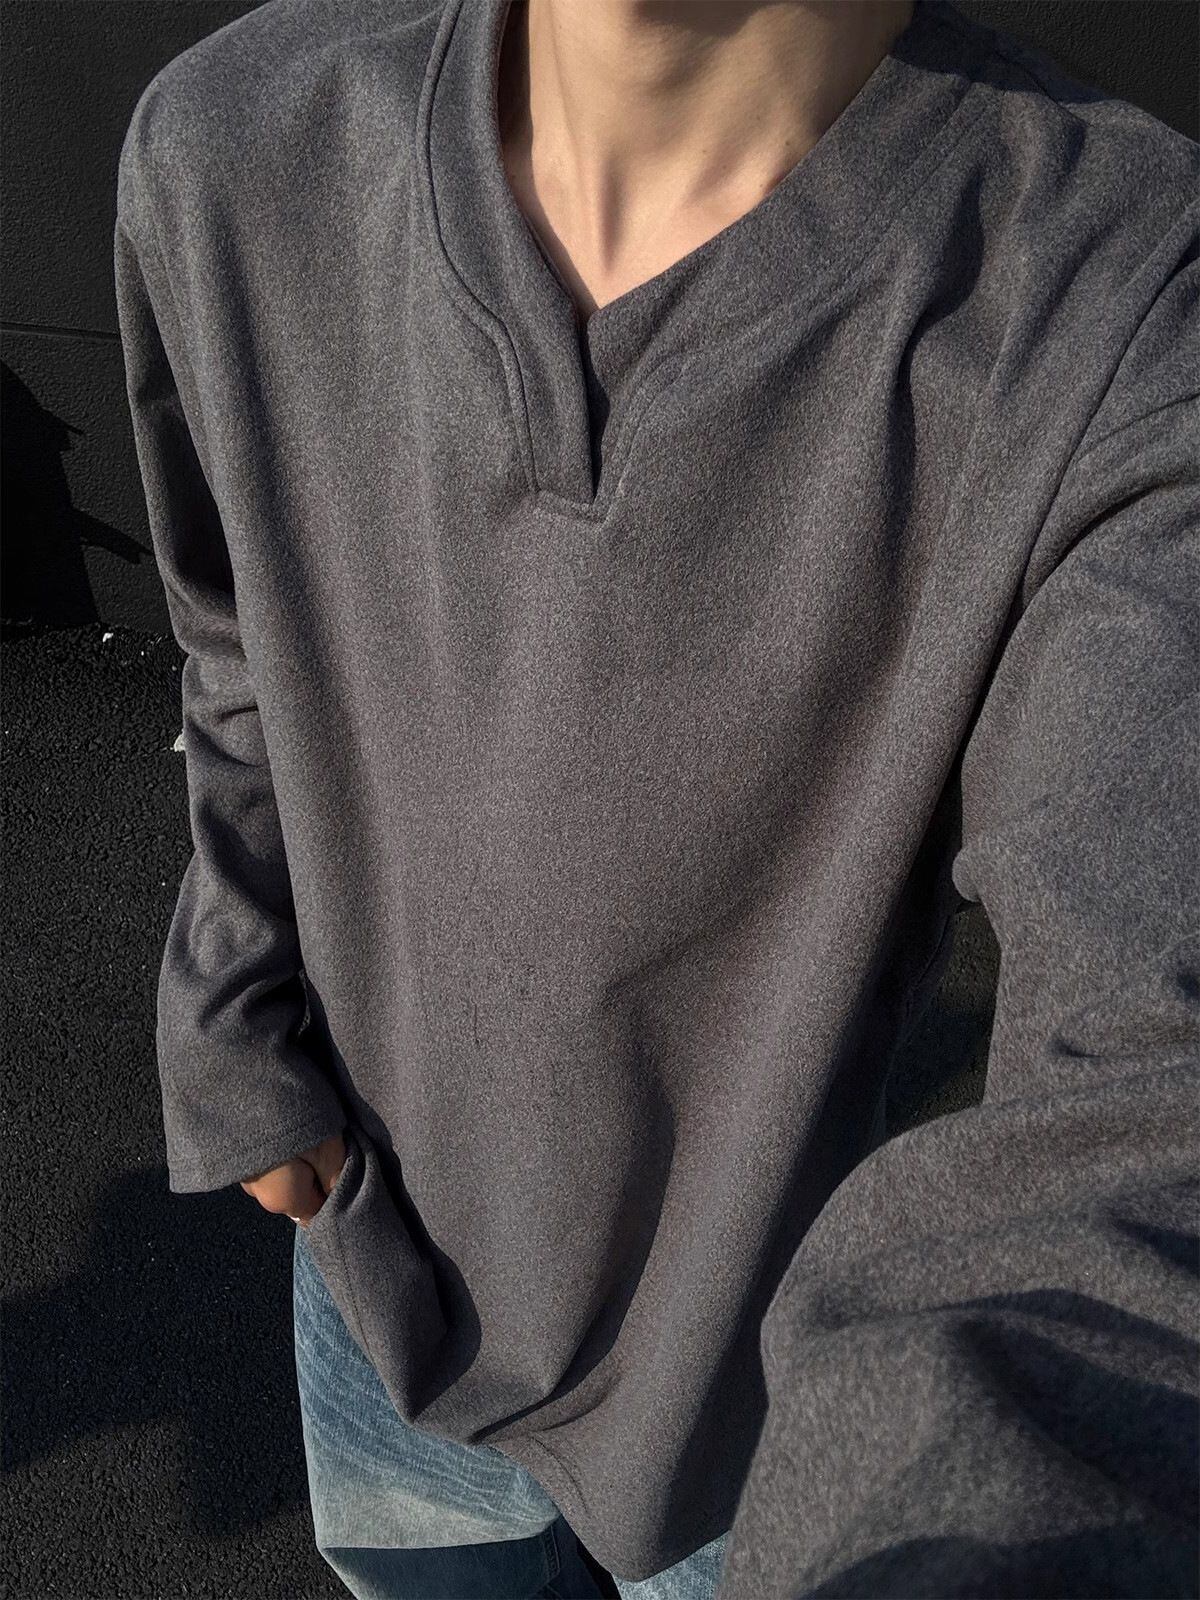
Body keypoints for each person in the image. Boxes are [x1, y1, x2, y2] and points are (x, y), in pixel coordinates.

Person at [113, 0, 1198, 1596]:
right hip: (369, 1281)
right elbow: (236, 642)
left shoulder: (1119, 299)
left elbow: (1153, 1084)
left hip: (757, 1419)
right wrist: (229, 1028)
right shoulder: (234, 152)